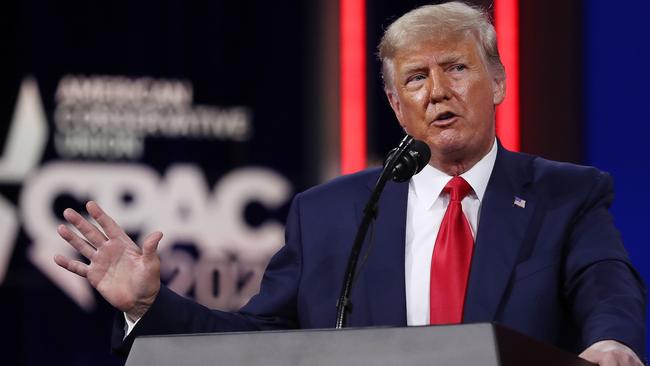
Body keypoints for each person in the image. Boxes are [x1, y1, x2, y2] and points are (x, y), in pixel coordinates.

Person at [54, 2, 646, 365]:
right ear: (395, 104)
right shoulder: (332, 214)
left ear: (496, 82)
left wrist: (612, 341)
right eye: (416, 78)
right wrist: (150, 304)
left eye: (456, 68)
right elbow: (260, 343)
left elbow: (606, 286)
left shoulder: (567, 193)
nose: (437, 91)